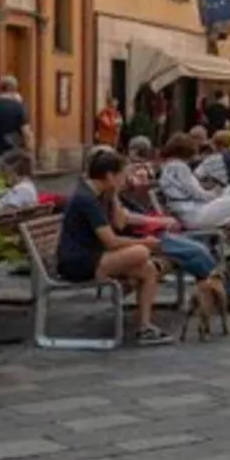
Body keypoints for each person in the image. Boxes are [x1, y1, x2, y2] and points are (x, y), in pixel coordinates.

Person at [57, 148, 173, 346]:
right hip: (79, 261)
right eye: (122, 175)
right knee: (141, 252)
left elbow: (119, 224)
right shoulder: (86, 199)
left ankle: (145, 326)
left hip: (97, 256)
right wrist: (146, 242)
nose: (125, 180)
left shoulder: (101, 194)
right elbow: (111, 241)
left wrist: (115, 196)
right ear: (110, 175)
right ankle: (126, 280)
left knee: (148, 269)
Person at [157, 133, 230, 231]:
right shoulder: (180, 167)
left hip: (188, 212)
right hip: (194, 214)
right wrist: (216, 193)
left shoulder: (168, 167)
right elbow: (198, 194)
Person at [0, 76, 32, 162]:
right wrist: (29, 150)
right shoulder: (18, 108)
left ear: (0, 88)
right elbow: (26, 132)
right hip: (12, 155)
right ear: (14, 89)